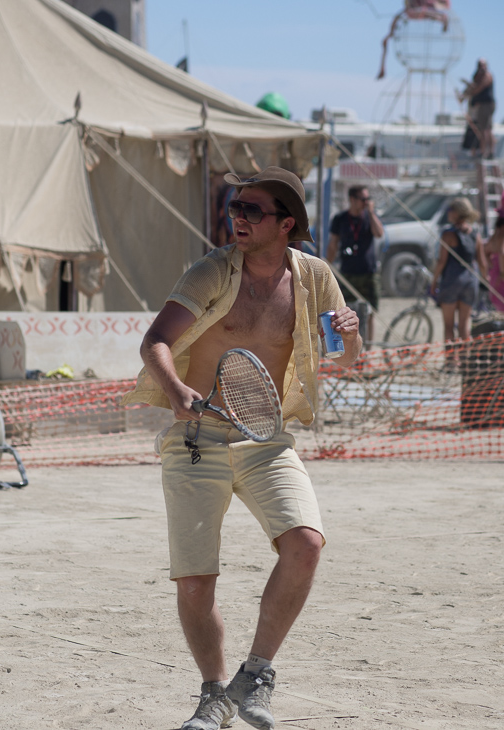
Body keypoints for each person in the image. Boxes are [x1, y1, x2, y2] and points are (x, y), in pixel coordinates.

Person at [121, 166, 361, 730]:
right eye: (235, 206)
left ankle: (255, 676)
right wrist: (177, 389)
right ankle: (213, 695)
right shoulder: (211, 271)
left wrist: (350, 332)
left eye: (252, 210)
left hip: (266, 440)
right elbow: (156, 339)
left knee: (305, 545)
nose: (238, 217)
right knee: (196, 580)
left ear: (286, 224)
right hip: (195, 440)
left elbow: (345, 359)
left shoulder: (314, 277)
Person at [326, 185, 384, 348]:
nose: (366, 202)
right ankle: (349, 349)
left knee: (370, 312)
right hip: (348, 272)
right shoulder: (340, 218)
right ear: (352, 199)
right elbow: (333, 244)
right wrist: (328, 268)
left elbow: (379, 233)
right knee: (345, 313)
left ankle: (369, 349)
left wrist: (371, 213)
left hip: (368, 271)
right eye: (363, 199)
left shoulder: (369, 216)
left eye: (368, 199)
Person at [430, 198, 487, 347]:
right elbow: (482, 263)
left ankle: (451, 362)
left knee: (449, 326)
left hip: (451, 281)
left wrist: (434, 281)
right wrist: (484, 282)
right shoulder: (476, 234)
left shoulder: (448, 234)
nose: (448, 213)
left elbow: (441, 261)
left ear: (456, 213)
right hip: (470, 281)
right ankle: (464, 362)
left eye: (450, 210)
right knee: (464, 324)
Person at [459, 59, 496, 159]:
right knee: (483, 129)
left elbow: (478, 88)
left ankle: (487, 152)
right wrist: (464, 94)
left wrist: (469, 93)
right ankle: (483, 151)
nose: (482, 67)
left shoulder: (487, 76)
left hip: (486, 105)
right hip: (480, 106)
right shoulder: (478, 76)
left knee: (486, 129)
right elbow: (473, 86)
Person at [484, 197, 504, 312]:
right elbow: (502, 252)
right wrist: (502, 272)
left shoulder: (496, 235)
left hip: (496, 274)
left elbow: (485, 249)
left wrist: (491, 264)